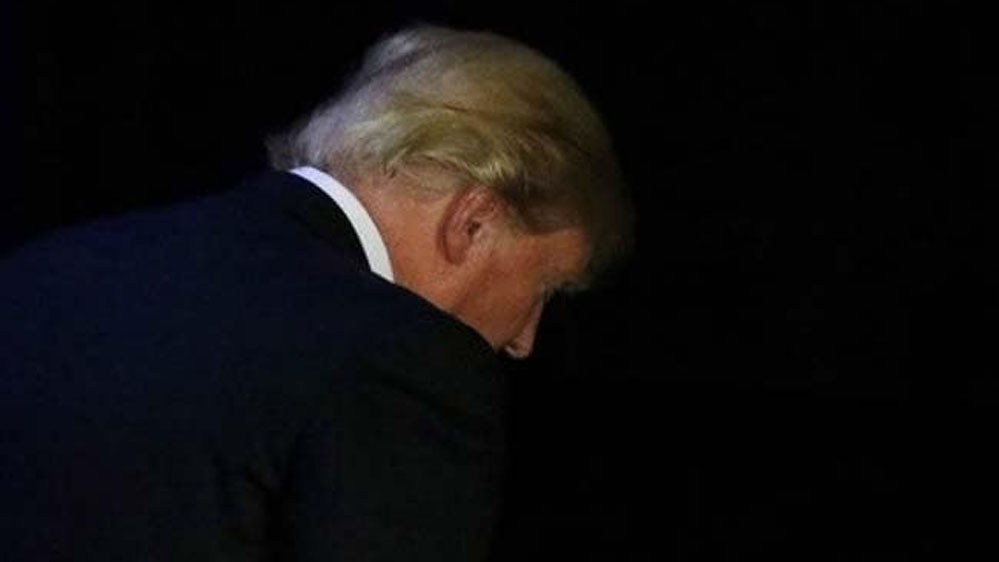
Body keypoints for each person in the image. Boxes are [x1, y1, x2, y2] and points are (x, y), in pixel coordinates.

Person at [0, 25, 631, 561]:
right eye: (545, 285)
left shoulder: (46, 269)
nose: (525, 341)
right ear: (472, 222)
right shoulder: (406, 366)